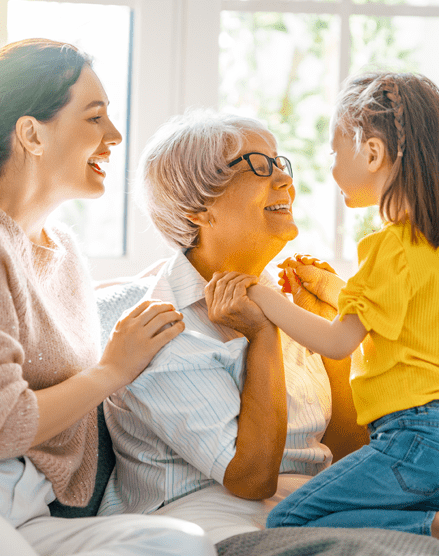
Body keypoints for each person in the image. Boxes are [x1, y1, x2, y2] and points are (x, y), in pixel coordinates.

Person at [0, 38, 215, 556]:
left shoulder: (63, 250)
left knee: (177, 543)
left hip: (21, 498)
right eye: (94, 118)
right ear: (31, 134)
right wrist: (113, 370)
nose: (114, 135)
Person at [239, 70, 439, 556]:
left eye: (333, 150)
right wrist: (332, 287)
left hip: (416, 437)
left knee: (287, 519)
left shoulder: (386, 247)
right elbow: (400, 321)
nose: (329, 164)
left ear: (371, 153)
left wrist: (263, 298)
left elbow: (340, 341)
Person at [97, 108, 369, 543]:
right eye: (259, 166)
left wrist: (325, 333)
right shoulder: (161, 326)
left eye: (280, 162)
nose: (284, 179)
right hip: (205, 521)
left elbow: (343, 449)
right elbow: (251, 478)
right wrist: (263, 337)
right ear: (197, 209)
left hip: (307, 508)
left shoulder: (279, 297)